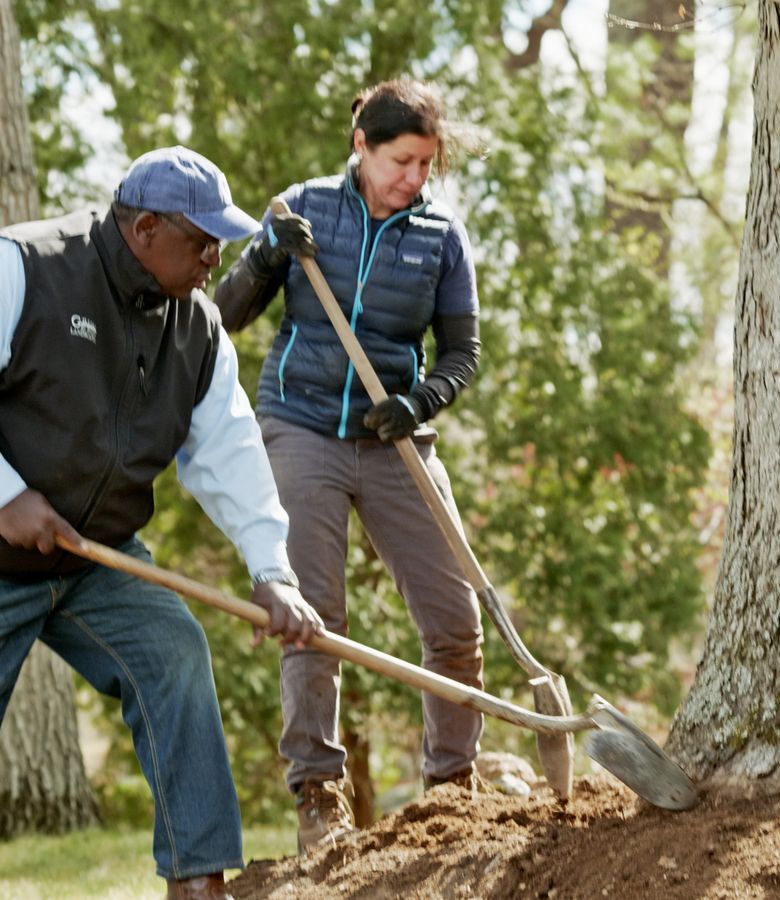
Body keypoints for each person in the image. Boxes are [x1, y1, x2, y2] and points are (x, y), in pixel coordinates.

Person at [0, 146, 325, 900]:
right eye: (202, 240)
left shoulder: (200, 330)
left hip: (94, 560)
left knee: (176, 652)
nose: (218, 257)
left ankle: (200, 880)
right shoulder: (25, 266)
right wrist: (6, 494)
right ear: (144, 227)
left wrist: (272, 570)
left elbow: (231, 453)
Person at [214, 78, 487, 853]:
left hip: (395, 438)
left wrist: (422, 401)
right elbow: (224, 315)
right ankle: (317, 793)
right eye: (403, 160)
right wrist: (269, 257)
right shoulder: (305, 209)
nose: (415, 178)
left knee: (455, 619)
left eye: (426, 165)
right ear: (362, 146)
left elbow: (462, 354)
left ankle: (452, 789)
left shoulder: (440, 236)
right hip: (301, 429)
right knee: (313, 617)